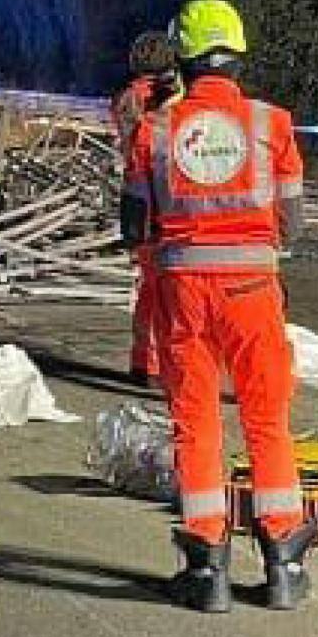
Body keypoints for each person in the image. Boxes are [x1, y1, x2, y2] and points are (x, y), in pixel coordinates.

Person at [121, 0, 313, 614]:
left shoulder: (154, 131)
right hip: (253, 294)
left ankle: (207, 570)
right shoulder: (271, 124)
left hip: (182, 294)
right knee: (267, 418)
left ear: (182, 54)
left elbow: (132, 223)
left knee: (196, 422)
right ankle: (283, 560)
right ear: (237, 52)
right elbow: (293, 223)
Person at [112, 30, 182, 383]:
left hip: (137, 198)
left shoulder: (125, 98)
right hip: (168, 199)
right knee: (171, 290)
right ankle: (170, 361)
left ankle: (143, 359)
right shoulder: (167, 99)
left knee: (148, 287)